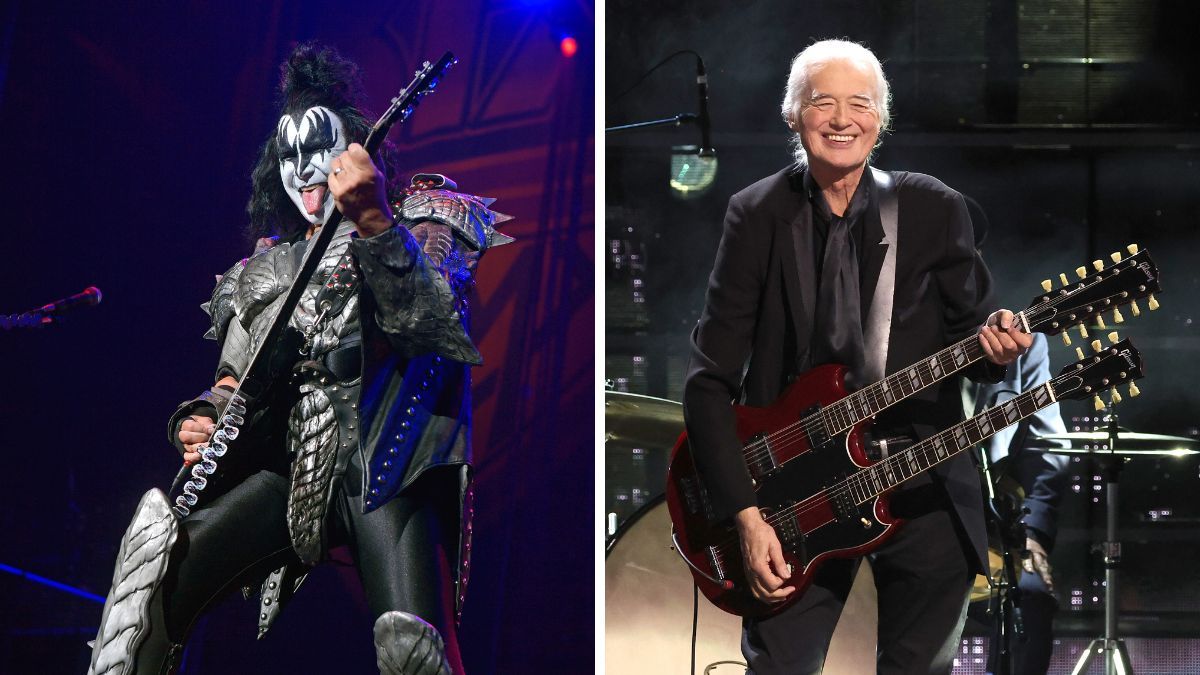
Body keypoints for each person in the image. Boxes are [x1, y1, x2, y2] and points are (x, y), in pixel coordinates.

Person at [86, 43, 511, 675]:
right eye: (290, 155)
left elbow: (435, 329)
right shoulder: (260, 272)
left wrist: (373, 220)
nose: (305, 168)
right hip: (292, 464)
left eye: (320, 149)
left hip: (385, 459)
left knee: (412, 647)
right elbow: (234, 383)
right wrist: (199, 420)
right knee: (152, 579)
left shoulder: (421, 222)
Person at [681, 39, 1032, 674]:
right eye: (823, 102)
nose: (842, 119)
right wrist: (746, 516)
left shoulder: (932, 207)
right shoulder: (756, 214)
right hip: (790, 495)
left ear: (881, 119)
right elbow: (709, 383)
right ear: (793, 114)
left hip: (920, 477)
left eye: (859, 104)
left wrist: (998, 349)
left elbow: (973, 345)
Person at [968, 332, 1069, 674]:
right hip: (901, 515)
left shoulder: (1024, 343)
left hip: (988, 522)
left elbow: (1048, 448)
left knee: (1034, 598)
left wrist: (1035, 535)